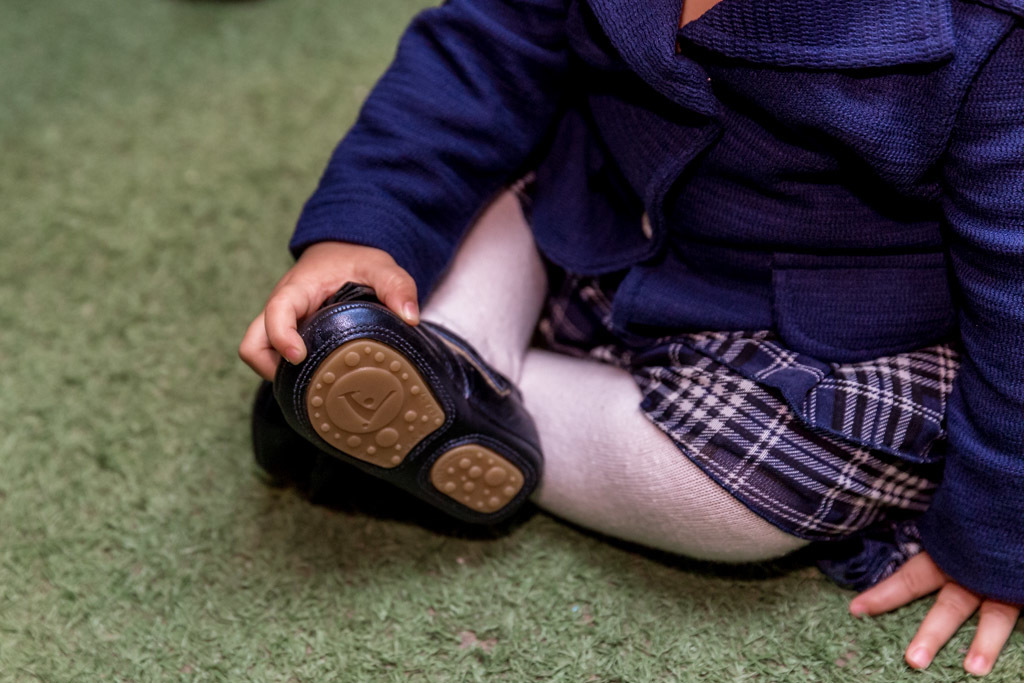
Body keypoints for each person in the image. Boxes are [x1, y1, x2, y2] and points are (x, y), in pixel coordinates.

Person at [239, 0, 1024, 675]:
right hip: (599, 208)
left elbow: (1015, 296)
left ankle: (461, 383)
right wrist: (364, 229)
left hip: (826, 332)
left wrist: (997, 535)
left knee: (759, 490)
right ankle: (433, 351)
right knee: (483, 174)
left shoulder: (992, 35)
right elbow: (478, 55)